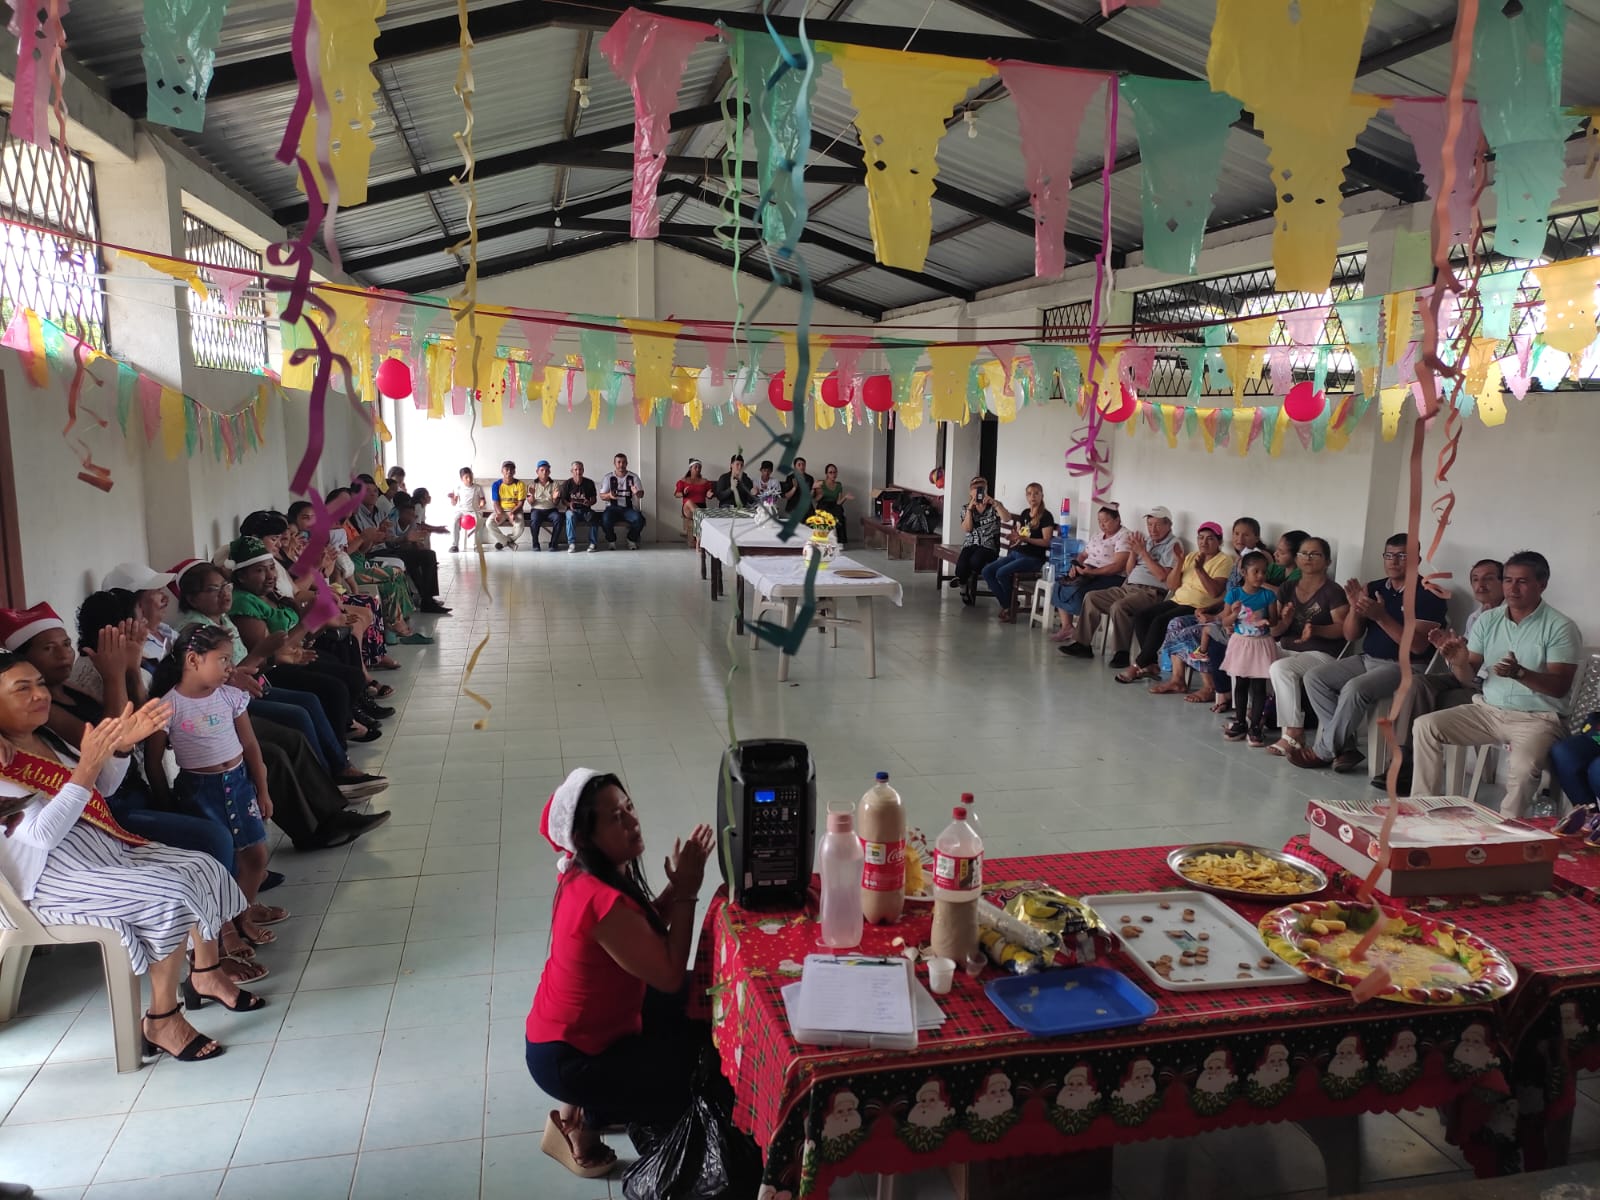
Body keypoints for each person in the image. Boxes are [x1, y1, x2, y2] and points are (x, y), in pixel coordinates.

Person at [0, 656, 263, 1062]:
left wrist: (121, 747)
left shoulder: (45, 739)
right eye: (23, 689)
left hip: (99, 851)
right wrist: (87, 765)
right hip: (51, 880)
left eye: (39, 684)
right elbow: (43, 836)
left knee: (202, 866)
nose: (40, 694)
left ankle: (206, 972)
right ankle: (162, 1018)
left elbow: (101, 788)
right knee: (170, 892)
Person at [526, 769, 717, 1177]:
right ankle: (582, 1125)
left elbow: (643, 933)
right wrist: (686, 892)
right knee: (679, 1077)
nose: (632, 821)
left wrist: (674, 891)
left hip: (587, 1029)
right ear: (584, 838)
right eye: (616, 817)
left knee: (700, 997)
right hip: (568, 1057)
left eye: (629, 807)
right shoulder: (599, 898)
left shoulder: (594, 870)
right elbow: (666, 973)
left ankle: (588, 1104)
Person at [1412, 551, 1581, 817]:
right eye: (1508, 580)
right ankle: (1423, 809)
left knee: (1523, 766)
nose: (1512, 588)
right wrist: (1459, 662)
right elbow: (1468, 678)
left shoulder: (1560, 626)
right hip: (1488, 711)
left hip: (1537, 719)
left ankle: (1509, 826)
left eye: (1522, 581)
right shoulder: (1488, 620)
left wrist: (1521, 674)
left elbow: (1559, 687)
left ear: (1542, 584)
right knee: (1425, 726)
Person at [145, 626, 280, 949]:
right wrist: (166, 803)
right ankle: (224, 929)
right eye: (223, 660)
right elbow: (152, 762)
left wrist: (262, 789)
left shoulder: (230, 696)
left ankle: (243, 913)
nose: (230, 668)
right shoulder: (168, 706)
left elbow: (250, 746)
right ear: (193, 660)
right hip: (199, 791)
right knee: (219, 863)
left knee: (256, 855)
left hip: (239, 784)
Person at [1290, 533, 1449, 773]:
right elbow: (1351, 635)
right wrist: (1356, 608)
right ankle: (1345, 747)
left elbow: (1418, 647)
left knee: (1355, 688)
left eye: (1402, 556)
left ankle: (1323, 751)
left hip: (1406, 666)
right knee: (1314, 678)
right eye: (1389, 555)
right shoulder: (1374, 588)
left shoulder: (1429, 593)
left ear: (1416, 559)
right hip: (1368, 659)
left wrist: (1381, 616)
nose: (1394, 561)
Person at [1371, 558, 1505, 790]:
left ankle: (1407, 769)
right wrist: (1448, 650)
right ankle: (1403, 760)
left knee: (1429, 700)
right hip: (1467, 677)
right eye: (1475, 579)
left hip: (1491, 688)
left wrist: (1461, 661)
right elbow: (1464, 665)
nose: (1480, 585)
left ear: (1504, 583)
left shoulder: (1508, 617)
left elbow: (1481, 669)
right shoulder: (1476, 617)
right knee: (1416, 684)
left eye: (1488, 579)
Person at [1060, 506, 1184, 664]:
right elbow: (1129, 570)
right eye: (1149, 524)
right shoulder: (1146, 541)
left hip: (1151, 592)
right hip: (1129, 586)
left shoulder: (1173, 545)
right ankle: (1082, 644)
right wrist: (1133, 551)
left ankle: (1122, 653)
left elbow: (1162, 577)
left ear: (1169, 525)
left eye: (1157, 525)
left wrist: (1143, 553)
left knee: (1119, 607)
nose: (1153, 529)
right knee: (1091, 597)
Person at [1114, 521, 1233, 685]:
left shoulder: (1224, 560)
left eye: (1210, 538)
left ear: (1219, 541)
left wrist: (1200, 569)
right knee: (1142, 617)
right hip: (1177, 600)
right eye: (1200, 538)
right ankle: (1150, 663)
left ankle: (1137, 665)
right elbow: (1172, 585)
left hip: (1198, 607)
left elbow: (1215, 592)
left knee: (1160, 621)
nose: (1204, 542)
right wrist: (1179, 562)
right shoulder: (1192, 556)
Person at [1263, 537, 1351, 756]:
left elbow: (1343, 629)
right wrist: (1284, 622)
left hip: (1321, 654)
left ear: (1327, 561)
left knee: (1280, 668)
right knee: (1250, 654)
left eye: (1315, 554)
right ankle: (1251, 716)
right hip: (1287, 647)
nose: (1307, 558)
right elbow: (1275, 630)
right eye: (1303, 553)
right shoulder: (1287, 587)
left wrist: (1317, 630)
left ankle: (1294, 732)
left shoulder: (1333, 591)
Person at [1215, 551, 1281, 746]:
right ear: (1244, 572)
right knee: (1241, 683)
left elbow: (1274, 621)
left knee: (1259, 686)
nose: (1261, 576)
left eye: (1264, 572)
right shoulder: (1234, 594)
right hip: (1241, 643)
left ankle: (1256, 726)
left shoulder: (1268, 595)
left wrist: (1267, 621)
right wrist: (1234, 614)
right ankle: (1240, 722)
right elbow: (1225, 621)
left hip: (1261, 643)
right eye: (1256, 571)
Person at [355, 478, 449, 612]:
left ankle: (427, 599)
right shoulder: (357, 515)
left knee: (428, 555)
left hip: (386, 549)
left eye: (375, 491)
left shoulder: (380, 513)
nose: (373, 494)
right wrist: (403, 539)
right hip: (371, 553)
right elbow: (368, 542)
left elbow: (388, 539)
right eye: (368, 491)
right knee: (408, 559)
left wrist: (404, 540)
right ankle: (422, 600)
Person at [1051, 503, 1132, 640]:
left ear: (1117, 520)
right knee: (1060, 583)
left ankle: (1082, 632)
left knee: (1079, 591)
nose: (1102, 525)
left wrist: (1093, 572)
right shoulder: (1097, 535)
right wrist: (1075, 566)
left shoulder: (1124, 536)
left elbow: (1118, 566)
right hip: (1087, 571)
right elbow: (1083, 555)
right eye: (1099, 521)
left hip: (1110, 576)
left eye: (1105, 521)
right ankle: (1067, 627)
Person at [978, 483, 1054, 623]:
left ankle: (1009, 607)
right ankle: (1008, 605)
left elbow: (1046, 542)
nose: (1033, 496)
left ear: (1042, 495)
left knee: (1001, 573)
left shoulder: (1046, 516)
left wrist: (1026, 539)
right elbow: (1022, 534)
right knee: (987, 571)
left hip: (1033, 558)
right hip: (1017, 553)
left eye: (1036, 493)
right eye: (1029, 493)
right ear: (1026, 496)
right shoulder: (1025, 513)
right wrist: (1015, 537)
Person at [101, 562, 178, 664]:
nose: (166, 598)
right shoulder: (137, 650)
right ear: (135, 603)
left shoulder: (165, 630)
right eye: (158, 591)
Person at [952, 477, 1001, 607]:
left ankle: (964, 580)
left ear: (986, 490)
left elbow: (1007, 518)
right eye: (975, 489)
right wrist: (970, 510)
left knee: (976, 560)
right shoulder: (965, 508)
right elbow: (967, 529)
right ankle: (963, 586)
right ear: (970, 492)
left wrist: (995, 503)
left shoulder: (994, 507)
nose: (978, 491)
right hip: (970, 544)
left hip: (988, 545)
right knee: (962, 564)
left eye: (981, 489)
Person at [599, 453, 647, 550]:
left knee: (640, 520)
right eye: (619, 462)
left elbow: (641, 495)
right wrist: (609, 496)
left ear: (627, 463)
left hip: (628, 509)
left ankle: (631, 539)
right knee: (605, 519)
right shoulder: (608, 477)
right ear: (614, 463)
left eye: (624, 462)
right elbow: (602, 496)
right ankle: (611, 540)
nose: (621, 464)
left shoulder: (634, 477)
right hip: (612, 508)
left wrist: (637, 492)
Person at [490, 460, 531, 551]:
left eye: (511, 469)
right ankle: (508, 543)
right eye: (506, 469)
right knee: (489, 523)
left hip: (515, 510)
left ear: (514, 471)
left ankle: (503, 542)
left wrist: (512, 512)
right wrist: (499, 513)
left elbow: (521, 503)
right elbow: (495, 502)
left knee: (520, 527)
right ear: (502, 471)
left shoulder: (520, 484)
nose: (509, 471)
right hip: (501, 510)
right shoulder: (496, 484)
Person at [561, 461, 602, 553]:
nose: (578, 472)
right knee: (570, 516)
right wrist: (569, 504)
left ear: (583, 470)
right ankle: (571, 544)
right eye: (575, 469)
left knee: (594, 516)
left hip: (585, 510)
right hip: (572, 510)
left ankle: (593, 543)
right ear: (571, 471)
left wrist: (589, 502)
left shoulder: (589, 483)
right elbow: (563, 500)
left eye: (580, 469)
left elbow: (594, 499)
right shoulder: (567, 484)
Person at [526, 461, 565, 551]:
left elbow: (556, 503)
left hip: (551, 510)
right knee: (534, 521)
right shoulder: (532, 484)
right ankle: (535, 544)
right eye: (542, 470)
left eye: (547, 470)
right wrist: (532, 495)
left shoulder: (555, 484)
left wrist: (555, 498)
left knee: (558, 518)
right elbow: (531, 503)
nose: (544, 472)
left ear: (549, 472)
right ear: (537, 471)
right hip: (537, 509)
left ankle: (553, 544)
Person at [674, 460, 714, 544]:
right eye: (695, 467)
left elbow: (709, 494)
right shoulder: (683, 481)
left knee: (698, 513)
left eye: (699, 467)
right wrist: (683, 493)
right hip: (688, 509)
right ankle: (704, 519)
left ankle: (699, 539)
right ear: (690, 468)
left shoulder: (705, 482)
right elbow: (676, 494)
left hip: (702, 507)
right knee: (689, 501)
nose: (698, 469)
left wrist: (709, 495)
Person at [812, 464, 855, 544]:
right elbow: (816, 500)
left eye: (835, 472)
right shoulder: (821, 483)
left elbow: (838, 502)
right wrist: (819, 493)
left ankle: (839, 541)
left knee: (839, 513)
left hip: (834, 505)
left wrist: (845, 497)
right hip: (823, 504)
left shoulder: (838, 485)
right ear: (827, 474)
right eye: (830, 472)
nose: (833, 474)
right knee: (825, 513)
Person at [448, 467, 487, 553]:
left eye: (470, 477)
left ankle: (477, 545)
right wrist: (451, 498)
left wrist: (481, 504)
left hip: (474, 511)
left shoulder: (478, 487)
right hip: (461, 511)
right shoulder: (458, 488)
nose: (469, 479)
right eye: (466, 477)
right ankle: (454, 545)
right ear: (461, 479)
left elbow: (482, 500)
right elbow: (454, 503)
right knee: (454, 521)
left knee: (479, 521)